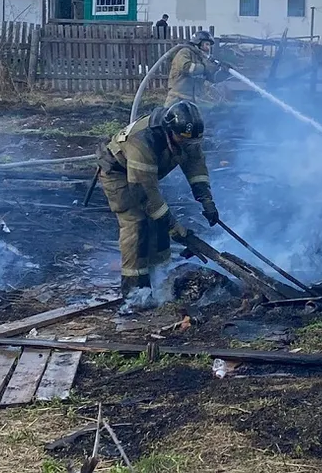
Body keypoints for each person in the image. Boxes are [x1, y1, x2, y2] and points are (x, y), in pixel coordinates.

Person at [96, 101, 220, 311]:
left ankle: (160, 279)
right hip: (119, 174)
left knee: (159, 225)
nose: (186, 147)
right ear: (169, 131)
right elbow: (144, 195)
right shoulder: (142, 141)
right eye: (182, 142)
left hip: (144, 176)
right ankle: (135, 294)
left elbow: (195, 165)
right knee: (136, 225)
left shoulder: (187, 137)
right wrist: (175, 228)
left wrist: (206, 200)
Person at [165, 30, 227, 107]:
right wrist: (206, 67)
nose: (208, 48)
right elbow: (187, 67)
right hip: (178, 100)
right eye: (206, 44)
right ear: (198, 43)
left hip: (194, 101)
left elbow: (211, 77)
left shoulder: (201, 59)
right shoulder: (184, 52)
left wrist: (223, 74)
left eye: (209, 46)